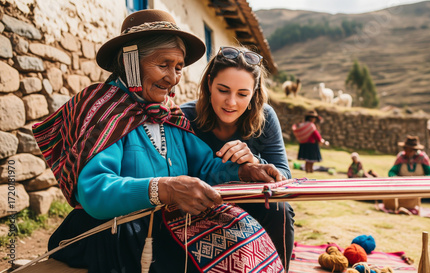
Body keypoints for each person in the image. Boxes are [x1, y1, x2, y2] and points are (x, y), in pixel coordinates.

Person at [32, 10, 285, 272]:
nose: (173, 78)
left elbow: (208, 167)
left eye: (178, 67)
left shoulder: (170, 117)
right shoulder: (104, 111)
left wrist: (243, 170)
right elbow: (94, 191)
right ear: (130, 62)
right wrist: (164, 189)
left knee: (241, 238)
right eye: (163, 65)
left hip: (165, 226)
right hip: (115, 232)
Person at [180, 45, 294, 270]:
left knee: (281, 208)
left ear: (254, 93)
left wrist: (254, 162)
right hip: (203, 207)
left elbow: (285, 177)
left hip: (252, 205)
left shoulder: (266, 117)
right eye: (223, 90)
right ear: (209, 83)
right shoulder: (185, 117)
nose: (231, 102)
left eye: (242, 94)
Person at [384, 135, 430, 213]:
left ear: (414, 150)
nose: (407, 152)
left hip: (418, 187)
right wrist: (396, 178)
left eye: (410, 150)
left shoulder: (422, 158)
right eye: (406, 149)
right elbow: (391, 172)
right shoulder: (401, 157)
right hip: (402, 186)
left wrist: (420, 181)